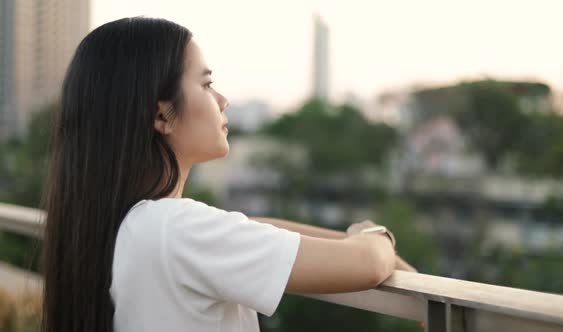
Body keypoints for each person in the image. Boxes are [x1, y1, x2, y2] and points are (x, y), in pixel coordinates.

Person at [40, 16, 415, 332]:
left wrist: (352, 238)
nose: (223, 100)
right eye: (206, 84)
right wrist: (375, 234)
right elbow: (368, 266)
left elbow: (251, 227)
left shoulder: (126, 224)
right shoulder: (177, 228)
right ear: (160, 115)